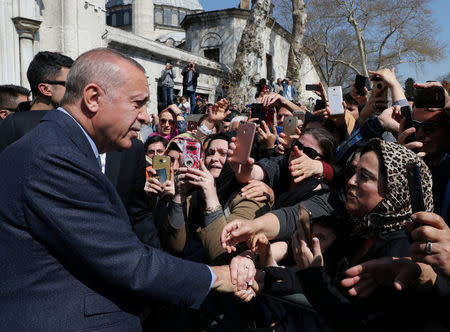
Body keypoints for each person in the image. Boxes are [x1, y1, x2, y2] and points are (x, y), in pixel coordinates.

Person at [0, 48, 247, 331]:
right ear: (94, 98)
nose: (144, 117)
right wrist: (220, 276)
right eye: (137, 104)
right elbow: (127, 261)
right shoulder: (54, 157)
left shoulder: (63, 146)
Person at [0, 51, 73, 152]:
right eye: (70, 84)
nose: (76, 89)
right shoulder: (13, 125)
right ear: (45, 89)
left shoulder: (75, 121)